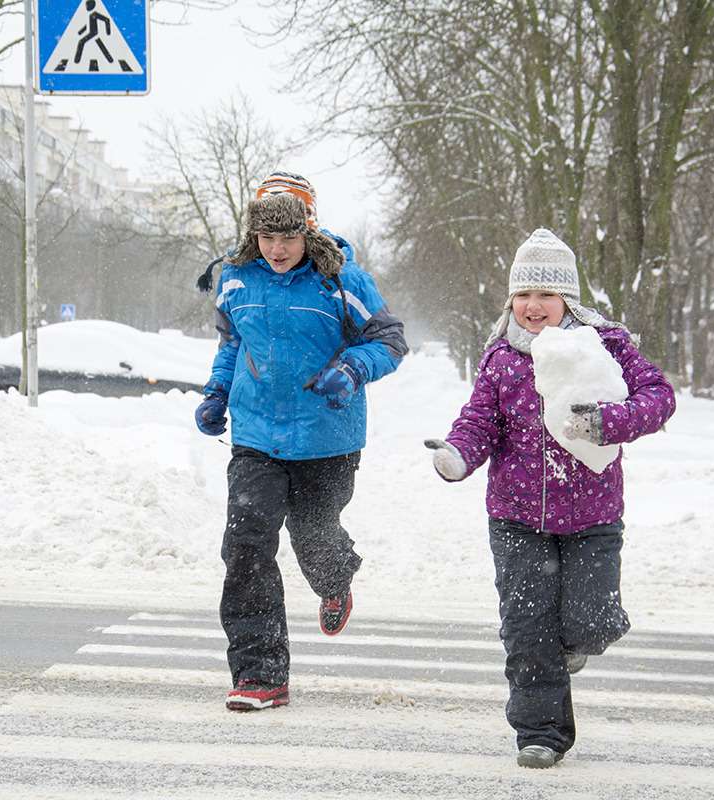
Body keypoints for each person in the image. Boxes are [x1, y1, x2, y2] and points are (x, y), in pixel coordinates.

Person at [425, 229, 675, 768]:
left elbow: (660, 398)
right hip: (517, 517)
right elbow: (478, 424)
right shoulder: (500, 359)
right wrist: (457, 456)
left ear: (568, 299)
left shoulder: (606, 346)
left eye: (545, 294)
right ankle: (540, 733)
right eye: (523, 295)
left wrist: (608, 422)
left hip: (592, 517)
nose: (533, 306)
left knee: (592, 621)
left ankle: (577, 643)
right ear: (511, 299)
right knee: (527, 627)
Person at [194, 171, 408, 712]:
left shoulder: (340, 280)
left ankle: (335, 578)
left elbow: (389, 340)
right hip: (257, 436)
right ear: (253, 235)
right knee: (245, 547)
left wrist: (353, 369)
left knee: (314, 533)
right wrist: (217, 392)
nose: (278, 249)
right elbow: (233, 342)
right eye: (267, 237)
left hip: (326, 436)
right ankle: (260, 675)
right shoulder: (237, 278)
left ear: (308, 231)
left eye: (288, 237)